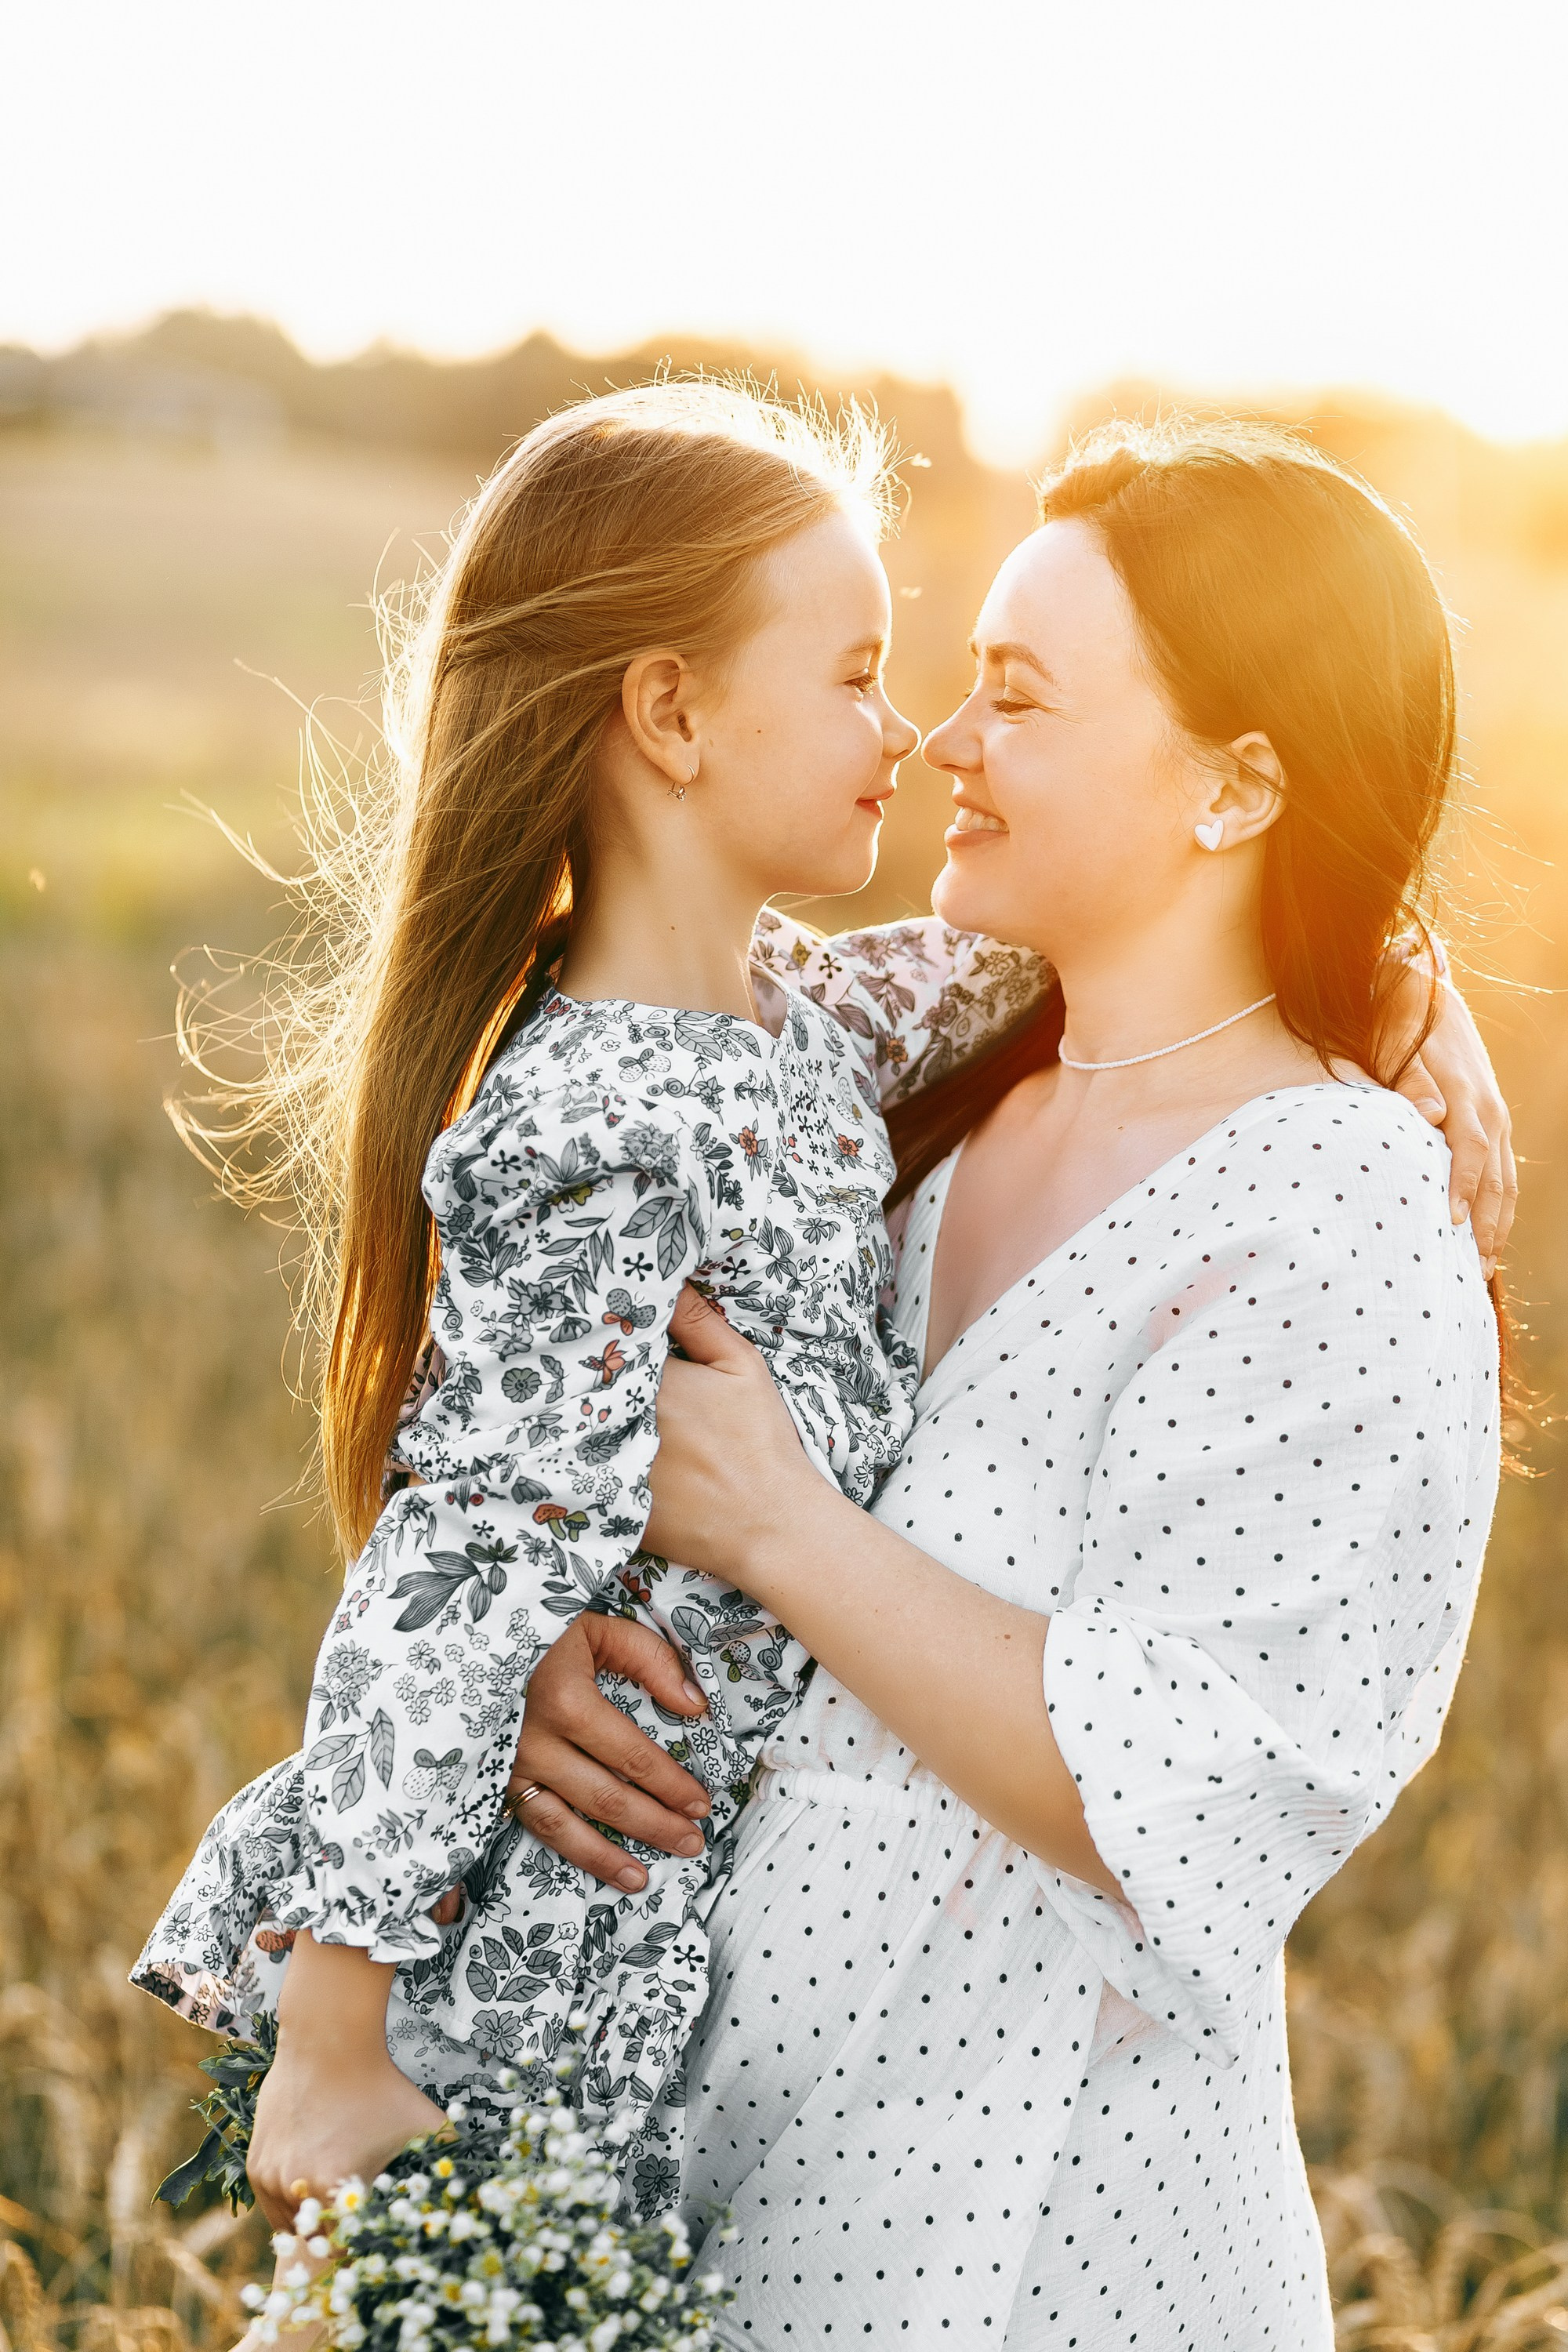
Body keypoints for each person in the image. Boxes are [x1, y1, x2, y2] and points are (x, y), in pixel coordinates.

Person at [509, 419, 1510, 2344]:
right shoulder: (919, 1083)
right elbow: (581, 1043)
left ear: (1237, 784)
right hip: (733, 2172)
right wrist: (556, 1650)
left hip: (1044, 2236)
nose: (943, 740)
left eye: (1020, 697)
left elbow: (1200, 1784)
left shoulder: (1336, 1206)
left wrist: (781, 1528)